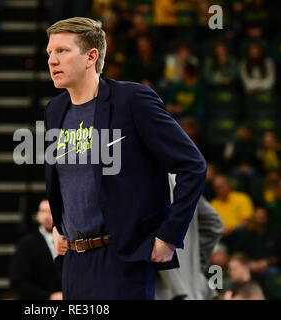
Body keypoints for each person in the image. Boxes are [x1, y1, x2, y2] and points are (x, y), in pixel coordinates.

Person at [44, 17, 207, 300]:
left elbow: (192, 166)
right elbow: (64, 178)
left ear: (90, 57)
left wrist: (169, 235)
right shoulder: (55, 110)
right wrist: (60, 226)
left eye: (62, 51)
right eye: (49, 53)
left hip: (121, 258)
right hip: (74, 261)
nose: (52, 60)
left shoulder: (132, 100)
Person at [155, 178, 223, 300]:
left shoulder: (140, 178)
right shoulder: (184, 179)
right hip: (192, 286)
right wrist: (194, 268)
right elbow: (214, 224)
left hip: (162, 290)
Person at [9, 199, 62, 300]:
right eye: (42, 211)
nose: (46, 216)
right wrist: (48, 296)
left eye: (50, 212)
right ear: (38, 214)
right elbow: (17, 281)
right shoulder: (26, 244)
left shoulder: (69, 241)